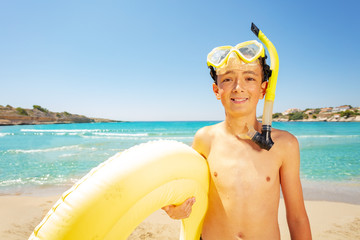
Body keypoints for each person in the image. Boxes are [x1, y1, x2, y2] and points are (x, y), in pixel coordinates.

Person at [162, 39, 312, 239]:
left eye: (249, 78)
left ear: (263, 88)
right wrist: (174, 209)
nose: (238, 87)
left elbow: (297, 218)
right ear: (216, 90)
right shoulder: (205, 139)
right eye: (227, 79)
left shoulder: (285, 145)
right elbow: (184, 191)